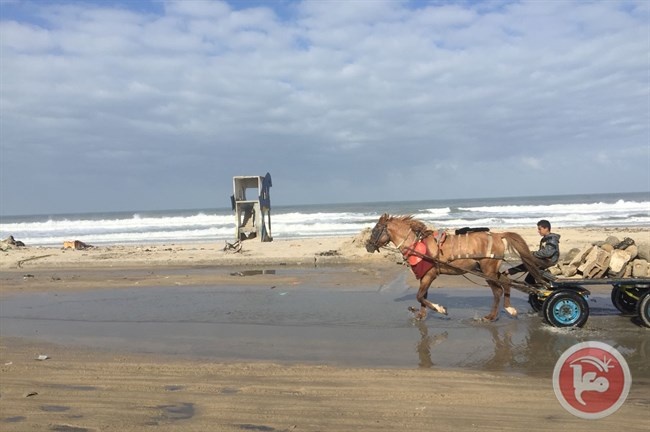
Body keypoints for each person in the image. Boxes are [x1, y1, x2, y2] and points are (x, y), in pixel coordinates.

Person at [502, 219, 560, 284]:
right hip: (545, 261)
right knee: (528, 279)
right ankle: (510, 271)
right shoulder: (545, 238)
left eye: (539, 229)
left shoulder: (551, 239)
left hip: (550, 262)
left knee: (529, 259)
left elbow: (547, 253)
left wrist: (533, 254)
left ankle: (510, 271)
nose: (538, 231)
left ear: (546, 228)